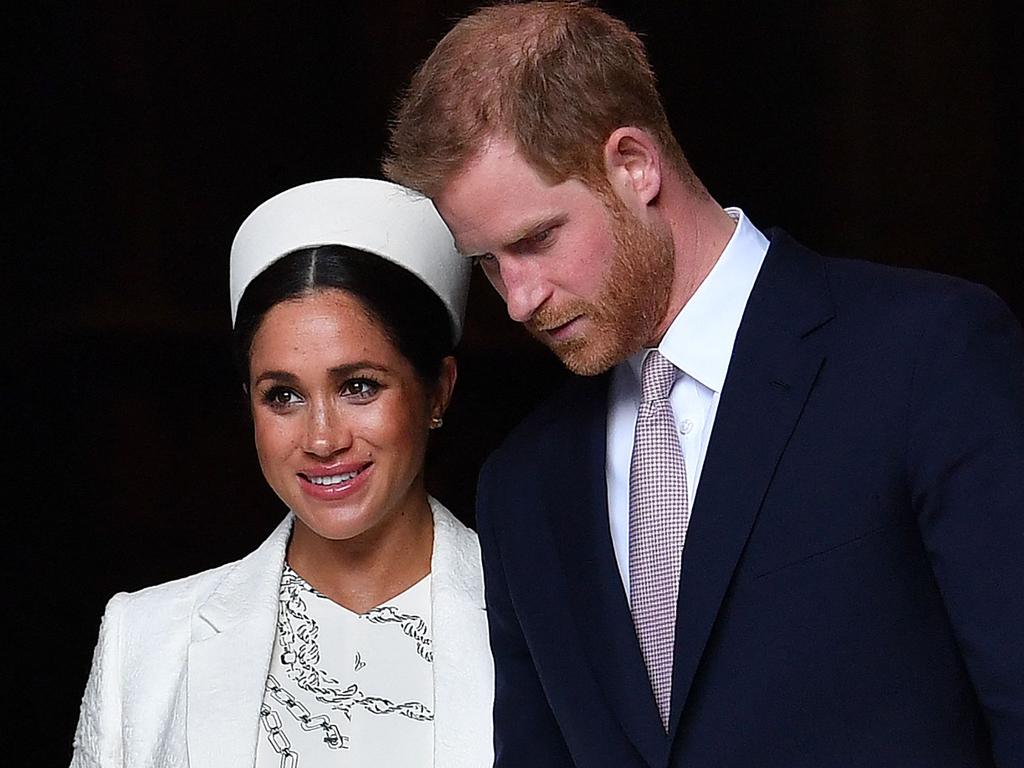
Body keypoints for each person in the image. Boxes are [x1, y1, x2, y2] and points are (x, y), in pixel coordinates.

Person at [382, 3, 1024, 766]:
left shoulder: (925, 355)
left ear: (634, 165)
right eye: (487, 262)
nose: (517, 298)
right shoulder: (523, 487)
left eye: (535, 240)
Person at [70, 178, 493, 768]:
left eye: (359, 387)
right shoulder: (144, 641)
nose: (322, 439)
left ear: (437, 392)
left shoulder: (540, 625)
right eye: (283, 396)